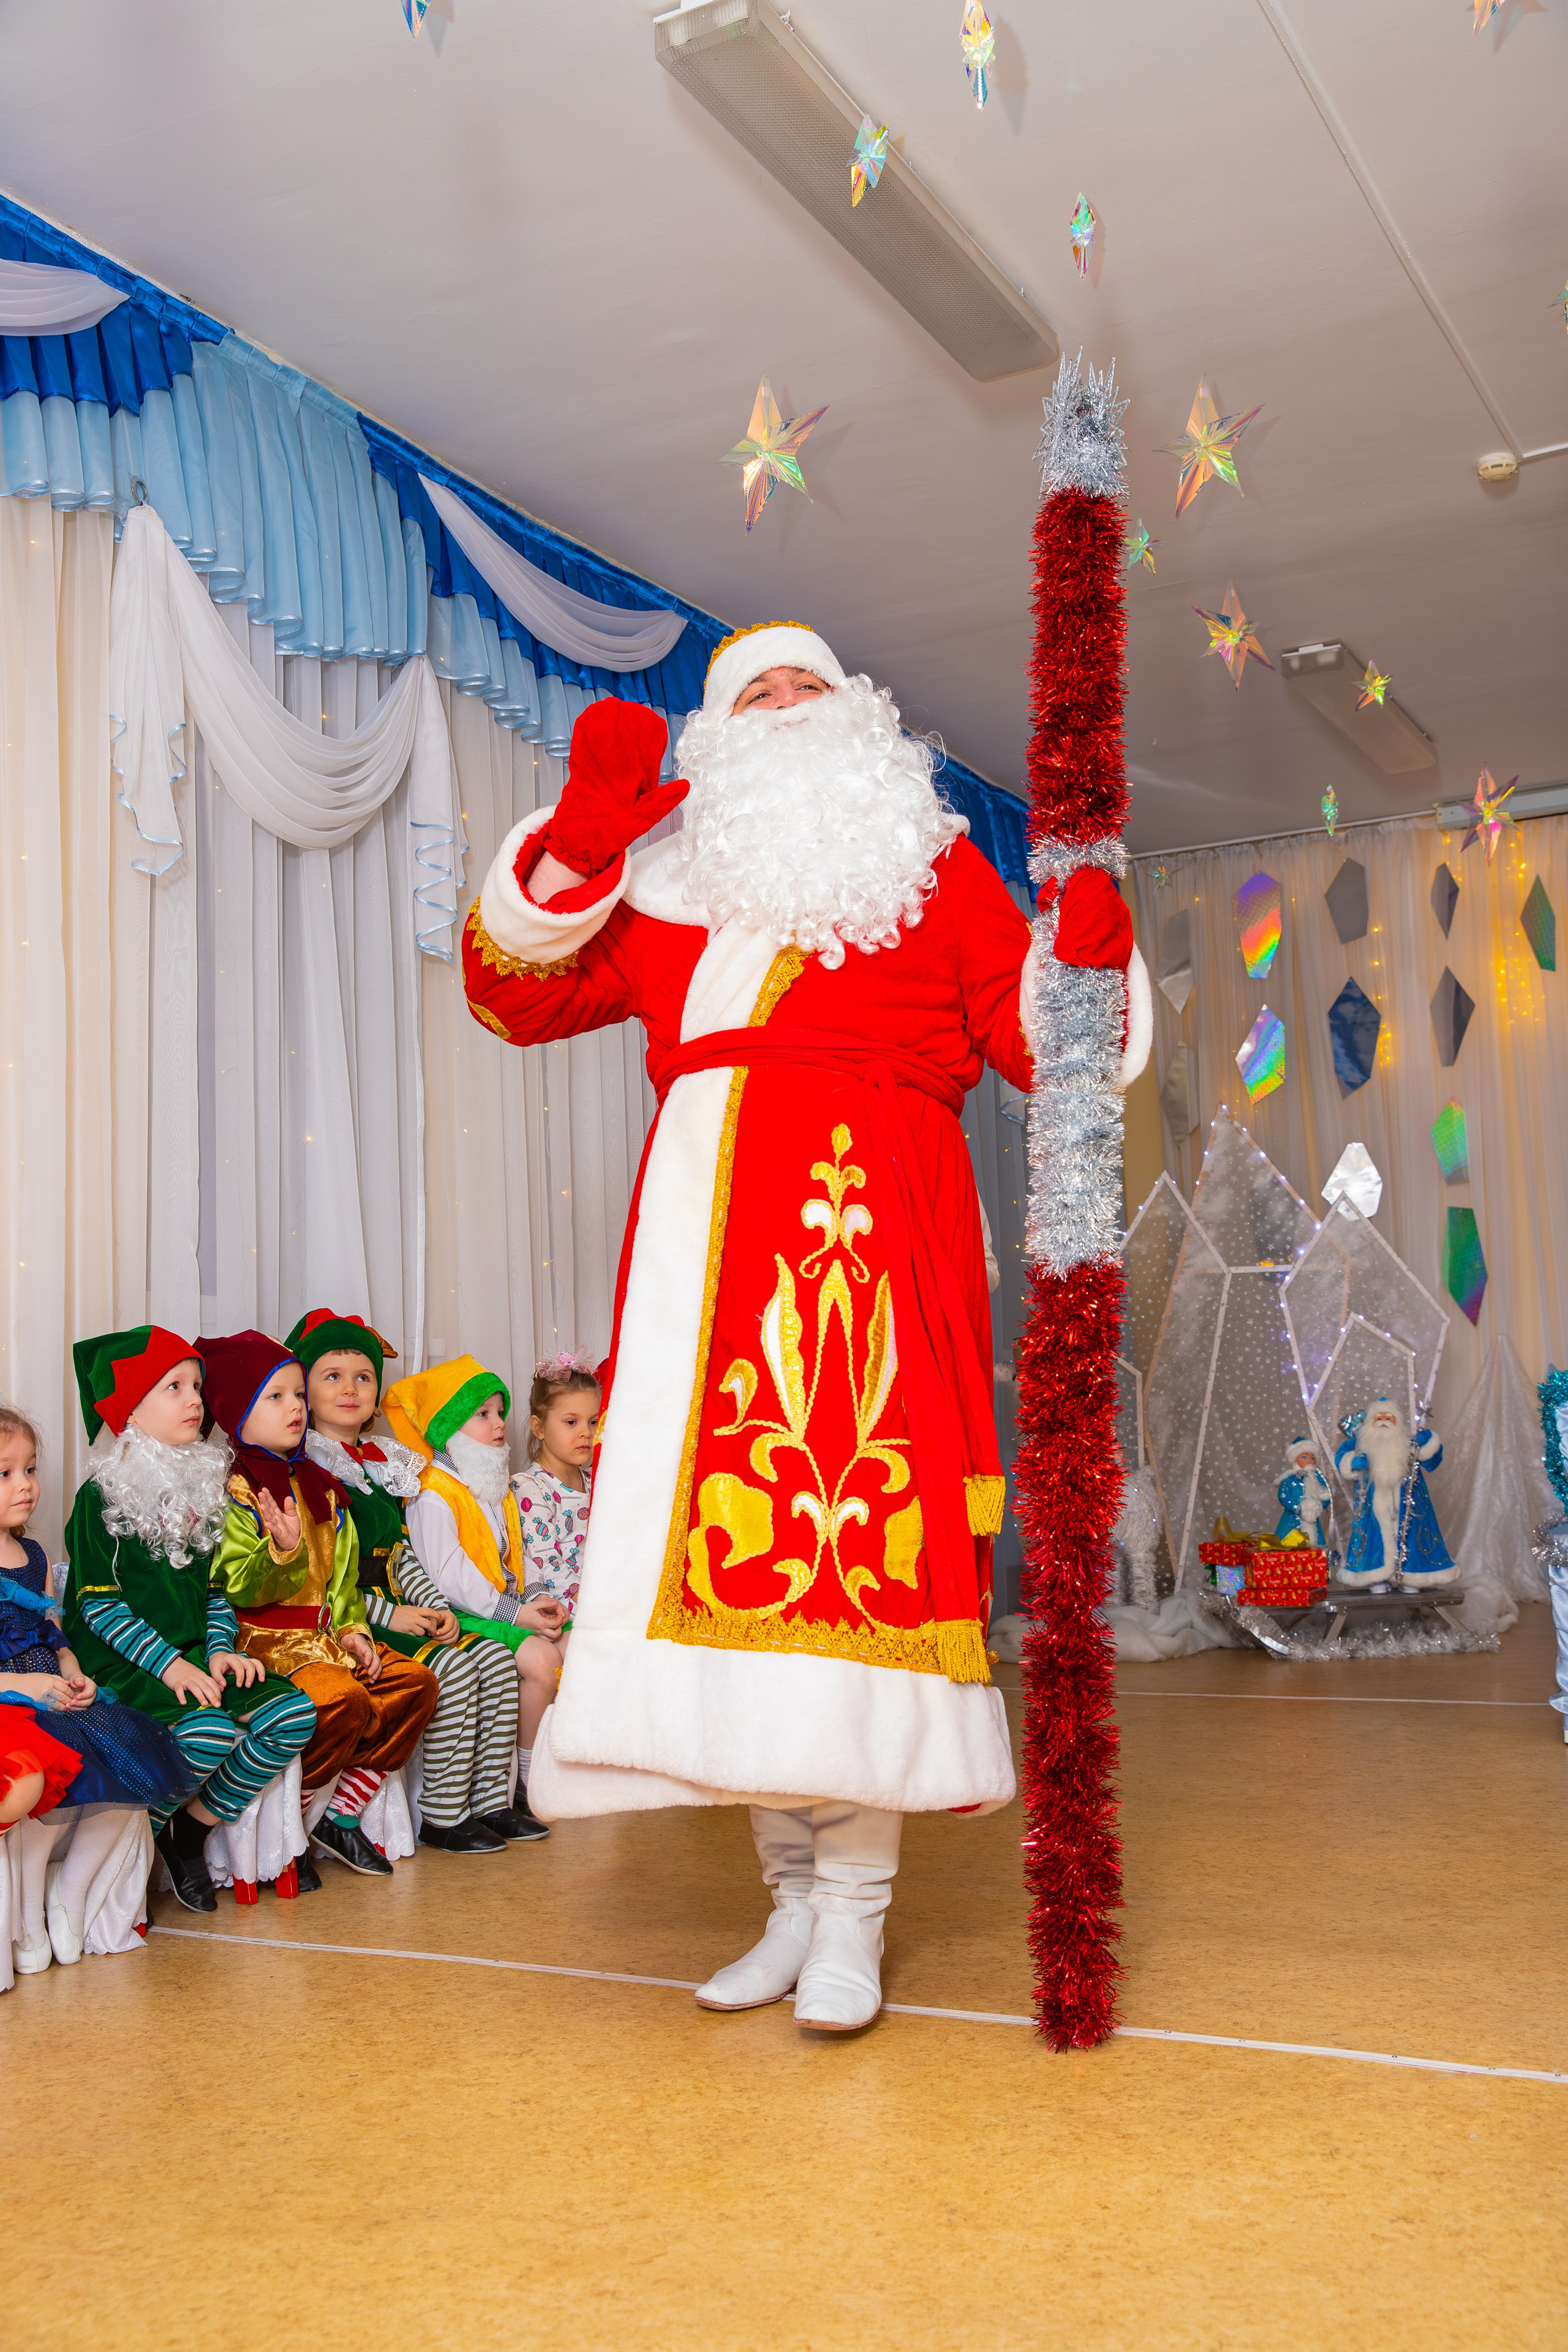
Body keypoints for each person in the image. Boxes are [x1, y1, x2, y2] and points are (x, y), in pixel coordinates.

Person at [460, 628, 1148, 2031]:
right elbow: (513, 997)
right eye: (747, 693)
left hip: (868, 1242)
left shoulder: (932, 865)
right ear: (711, 740)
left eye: (803, 686)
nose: (779, 705)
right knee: (728, 1588)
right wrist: (576, 852)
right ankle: (786, 1900)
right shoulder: (663, 883)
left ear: (858, 718)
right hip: (696, 1269)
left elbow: (1041, 1049)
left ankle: (850, 1918)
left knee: (843, 1567)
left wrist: (1081, 954)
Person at [61, 1328, 318, 1914]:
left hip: (192, 1655)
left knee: (291, 1713)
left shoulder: (203, 1487)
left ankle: (190, 1831)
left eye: (196, 1385)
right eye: (173, 1387)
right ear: (129, 1408)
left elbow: (213, 1592)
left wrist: (221, 1648)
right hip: (124, 1662)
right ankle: (134, 1846)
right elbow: (98, 1605)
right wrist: (172, 1666)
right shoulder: (99, 1498)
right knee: (209, 1733)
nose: (194, 1399)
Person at [288, 1308, 536, 1853]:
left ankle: (491, 1802)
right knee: (450, 1666)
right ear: (303, 1387)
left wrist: (432, 1607)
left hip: (399, 1609)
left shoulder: (383, 1464)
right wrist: (391, 1616)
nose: (351, 1389)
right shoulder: (305, 1468)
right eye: (333, 1376)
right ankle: (443, 1816)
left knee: (493, 1659)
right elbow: (320, 1580)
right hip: (345, 1620)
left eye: (363, 1377)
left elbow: (401, 1556)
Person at [201, 1332, 439, 1879]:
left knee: (415, 1685)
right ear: (238, 1411)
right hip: (265, 1644)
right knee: (343, 1702)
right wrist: (280, 1551)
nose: (295, 1407)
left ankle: (339, 1815)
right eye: (276, 1397)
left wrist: (354, 1628)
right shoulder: (236, 1489)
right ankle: (294, 1831)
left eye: (296, 1396)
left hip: (326, 1640)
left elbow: (344, 1577)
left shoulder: (323, 1485)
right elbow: (234, 1586)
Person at [0, 1403, 199, 1964]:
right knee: (55, 1772)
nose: (26, 1485)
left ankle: (71, 1895)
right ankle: (30, 1920)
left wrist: (70, 1670)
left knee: (128, 1765)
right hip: (14, 1702)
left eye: (31, 1469)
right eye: (5, 1473)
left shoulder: (33, 1553)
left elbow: (51, 1629)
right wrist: (24, 1684)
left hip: (55, 1692)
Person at [385, 1358, 565, 1834]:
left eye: (499, 1412)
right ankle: (528, 1786)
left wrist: (539, 1597)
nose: (498, 1423)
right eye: (482, 1415)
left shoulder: (490, 1486)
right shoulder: (433, 1493)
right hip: (461, 1617)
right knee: (542, 1661)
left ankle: (507, 1792)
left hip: (501, 1608)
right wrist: (517, 1613)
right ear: (449, 1429)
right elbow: (451, 1580)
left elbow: (517, 1557)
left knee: (571, 1645)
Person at [511, 1352, 599, 1620]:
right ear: (539, 1428)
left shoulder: (595, 1480)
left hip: (604, 1592)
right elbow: (546, 1566)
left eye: (593, 1421)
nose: (586, 1432)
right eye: (571, 1422)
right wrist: (592, 1604)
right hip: (568, 1608)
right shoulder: (530, 1488)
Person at [1335, 1400, 1458, 1588]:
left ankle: (1410, 1578)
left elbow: (1431, 1462)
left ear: (1397, 1422)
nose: (1383, 1422)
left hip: (1408, 1501)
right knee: (1374, 1540)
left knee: (1410, 1538)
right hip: (1373, 1503)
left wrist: (1429, 1441)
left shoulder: (1407, 1444)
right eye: (1379, 1418)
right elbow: (1343, 1459)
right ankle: (1376, 1578)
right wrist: (1353, 1462)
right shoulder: (1362, 1445)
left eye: (1388, 1418)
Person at [1275, 1436, 1332, 1549]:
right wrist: (1297, 1508)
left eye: (1312, 1458)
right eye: (1305, 1457)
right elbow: (1283, 1496)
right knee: (1289, 1546)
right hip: (1292, 1520)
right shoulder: (1290, 1479)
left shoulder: (1318, 1479)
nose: (1309, 1461)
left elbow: (1326, 1496)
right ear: (1295, 1459)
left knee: (1315, 1543)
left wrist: (1318, 1507)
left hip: (1312, 1518)